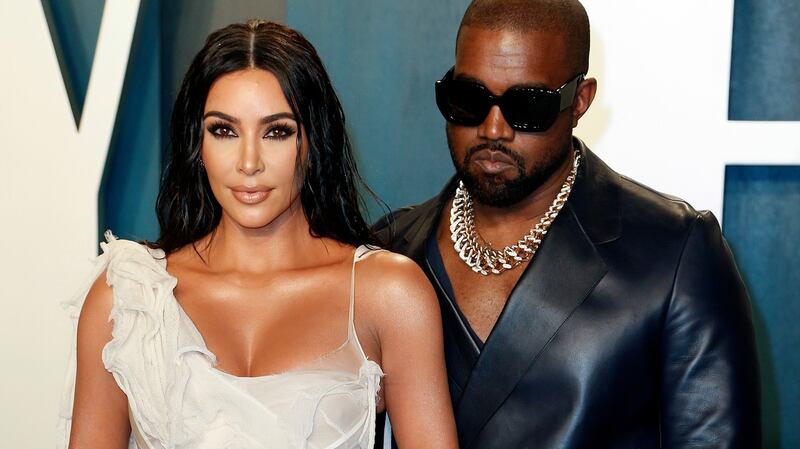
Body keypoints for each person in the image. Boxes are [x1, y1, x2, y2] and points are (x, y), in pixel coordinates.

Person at [374, 1, 761, 448]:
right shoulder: (389, 250)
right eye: (469, 100)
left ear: (580, 100)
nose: (493, 129)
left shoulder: (675, 254)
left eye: (527, 106)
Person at [58, 20, 458, 449]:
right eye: (224, 130)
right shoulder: (128, 300)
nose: (249, 162)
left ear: (313, 141)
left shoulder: (389, 293)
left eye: (277, 131)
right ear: (198, 144)